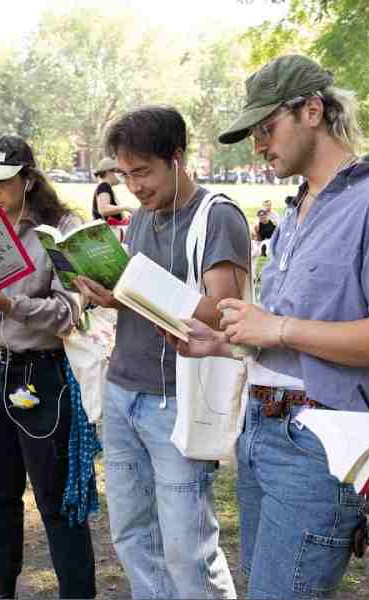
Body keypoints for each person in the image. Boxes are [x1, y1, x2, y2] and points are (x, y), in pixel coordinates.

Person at [173, 54, 369, 599]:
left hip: (319, 443)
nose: (260, 145)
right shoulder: (296, 212)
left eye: (267, 128)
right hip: (261, 432)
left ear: (313, 111)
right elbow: (283, 344)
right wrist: (225, 343)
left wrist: (278, 329)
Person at [74, 106, 249, 599]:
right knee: (132, 535)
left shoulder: (218, 216)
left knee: (186, 548)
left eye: (143, 172)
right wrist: (114, 294)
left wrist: (140, 289)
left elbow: (227, 313)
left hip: (175, 400)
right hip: (122, 388)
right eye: (125, 174)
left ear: (177, 158)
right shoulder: (144, 216)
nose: (134, 186)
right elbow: (139, 300)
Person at [0, 136, 97, 599]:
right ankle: (3, 590)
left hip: (42, 373)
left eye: (2, 182)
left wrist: (10, 303)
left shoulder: (61, 228)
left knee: (56, 501)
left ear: (28, 179)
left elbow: (71, 312)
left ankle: (77, 593)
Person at [91, 156, 132, 239]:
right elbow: (103, 209)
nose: (120, 174)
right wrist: (126, 208)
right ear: (108, 172)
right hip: (108, 236)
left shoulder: (104, 186)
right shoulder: (104, 186)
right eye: (118, 171)